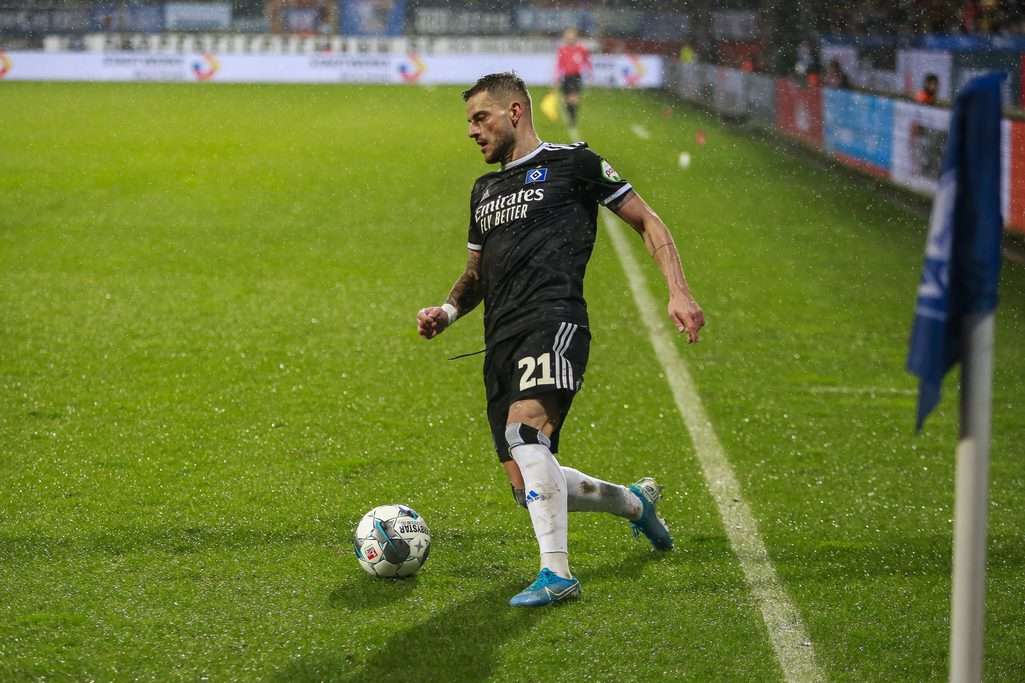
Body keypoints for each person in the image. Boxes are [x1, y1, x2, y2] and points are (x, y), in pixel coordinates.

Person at [416, 73, 705, 607]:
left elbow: (648, 222)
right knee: (528, 484)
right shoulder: (484, 191)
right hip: (499, 341)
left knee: (526, 435)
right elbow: (476, 274)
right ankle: (634, 504)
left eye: (481, 118)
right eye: (469, 122)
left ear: (515, 112)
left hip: (554, 319)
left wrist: (679, 291)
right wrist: (448, 311)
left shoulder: (574, 164)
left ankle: (557, 574)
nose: (472, 131)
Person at [554, 27, 591, 136]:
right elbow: (559, 64)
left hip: (576, 76)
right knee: (566, 99)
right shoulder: (562, 50)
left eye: (571, 36)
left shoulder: (581, 49)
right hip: (566, 77)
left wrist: (589, 74)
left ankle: (573, 119)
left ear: (575, 37)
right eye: (567, 36)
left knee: (574, 98)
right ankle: (571, 116)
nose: (569, 38)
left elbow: (587, 62)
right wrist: (557, 78)